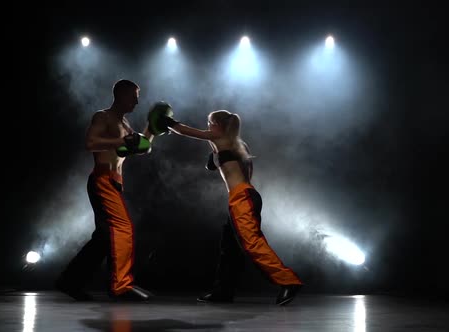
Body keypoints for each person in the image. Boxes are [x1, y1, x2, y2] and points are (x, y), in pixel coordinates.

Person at [155, 109, 303, 306]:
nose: (208, 126)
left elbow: (188, 132)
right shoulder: (238, 144)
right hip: (246, 196)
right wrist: (214, 160)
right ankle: (222, 292)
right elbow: (229, 163)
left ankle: (289, 281)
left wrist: (169, 123)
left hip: (242, 198)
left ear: (218, 125)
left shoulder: (219, 137)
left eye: (210, 123)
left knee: (252, 244)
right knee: (230, 248)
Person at [55, 79, 154, 302]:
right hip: (102, 178)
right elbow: (90, 142)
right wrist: (121, 140)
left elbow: (140, 148)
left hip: (115, 182)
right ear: (120, 95)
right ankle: (120, 286)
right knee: (123, 228)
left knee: (103, 237)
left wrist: (152, 129)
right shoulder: (103, 116)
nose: (137, 101)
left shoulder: (126, 123)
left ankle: (69, 281)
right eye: (134, 96)